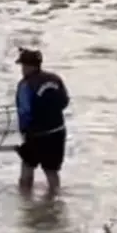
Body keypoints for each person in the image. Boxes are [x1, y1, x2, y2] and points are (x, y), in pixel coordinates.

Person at [14, 48, 70, 197]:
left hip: (37, 135)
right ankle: (54, 203)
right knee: (51, 171)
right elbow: (64, 102)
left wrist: (24, 133)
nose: (22, 69)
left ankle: (26, 204)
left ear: (29, 66)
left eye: (23, 66)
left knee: (27, 168)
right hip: (58, 132)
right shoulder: (55, 79)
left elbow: (24, 112)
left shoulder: (25, 85)